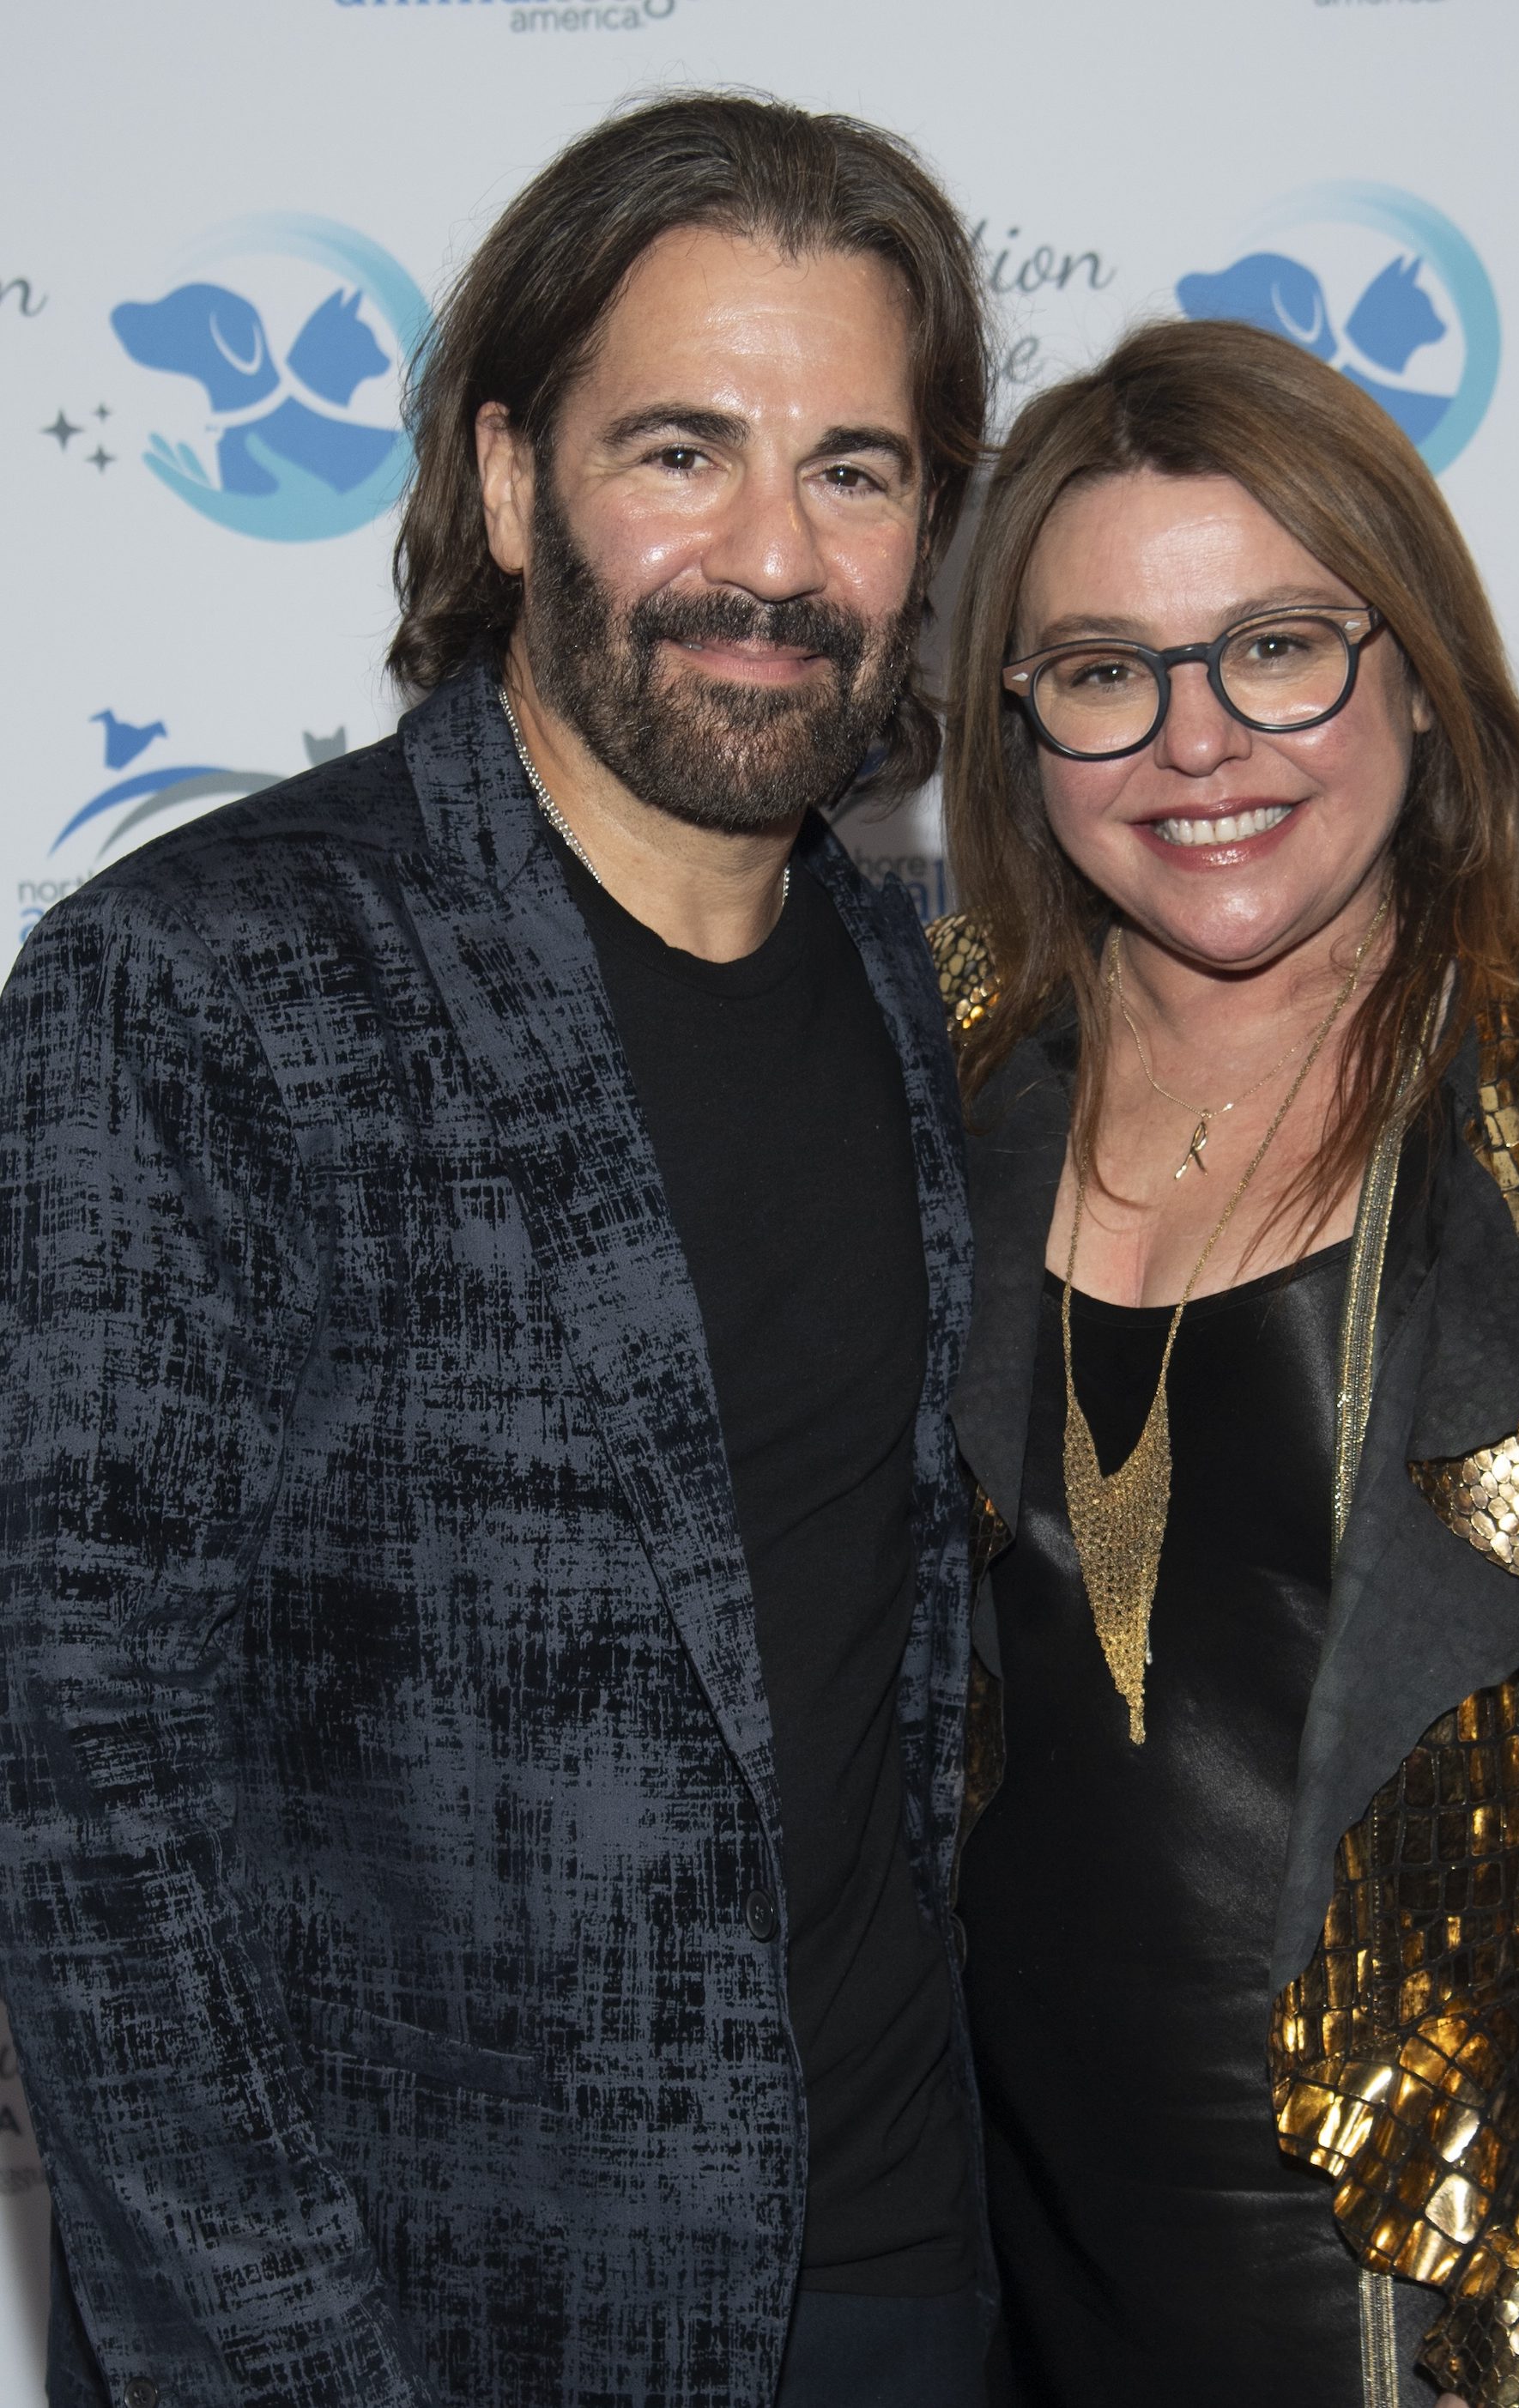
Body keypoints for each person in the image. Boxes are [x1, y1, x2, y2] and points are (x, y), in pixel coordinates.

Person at [0, 94, 995, 2408]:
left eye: (851, 466)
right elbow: (78, 1799)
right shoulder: (203, 978)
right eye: (683, 450)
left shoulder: (920, 996)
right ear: (512, 473)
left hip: (917, 2280)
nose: (771, 554)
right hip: (443, 2330)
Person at [929, 318, 1519, 2408]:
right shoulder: (916, 1062)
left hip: (1407, 2311)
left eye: (1280, 646)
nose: (1197, 740)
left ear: (1414, 669)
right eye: (1105, 671)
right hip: (966, 2281)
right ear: (1021, 729)